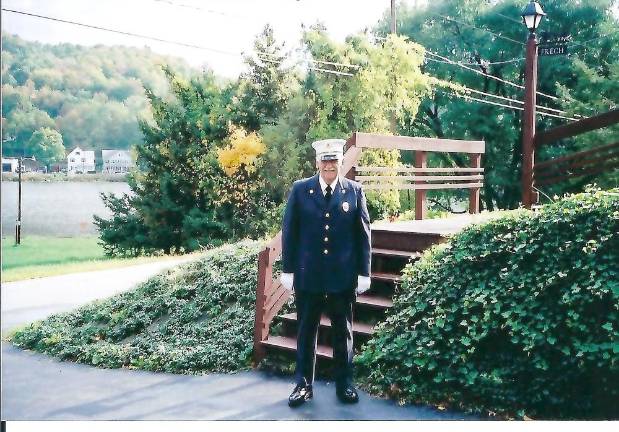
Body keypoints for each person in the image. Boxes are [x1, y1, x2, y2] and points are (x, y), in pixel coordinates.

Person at [279, 138, 372, 407]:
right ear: (317, 162)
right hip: (309, 277)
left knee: (343, 333)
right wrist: (288, 269)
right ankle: (303, 385)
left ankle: (344, 384)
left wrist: (363, 272)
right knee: (306, 332)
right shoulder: (300, 190)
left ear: (342, 162)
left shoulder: (355, 191)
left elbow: (363, 234)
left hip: (342, 278)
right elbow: (290, 232)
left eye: (334, 160)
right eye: (325, 160)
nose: (329, 165)